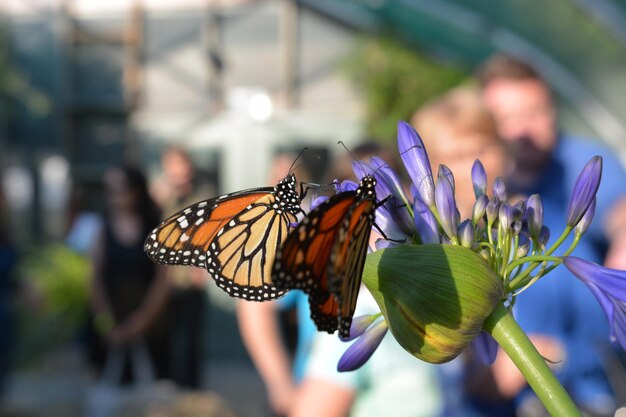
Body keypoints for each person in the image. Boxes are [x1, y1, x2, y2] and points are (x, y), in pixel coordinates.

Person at [477, 54, 626, 416]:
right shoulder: (485, 178)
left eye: (537, 112)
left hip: (590, 384)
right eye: (510, 118)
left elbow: (620, 213)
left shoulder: (579, 160)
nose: (525, 128)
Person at [89, 165, 171, 383]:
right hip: (112, 329)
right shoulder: (102, 230)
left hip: (151, 329)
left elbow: (161, 282)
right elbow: (95, 281)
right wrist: (107, 324)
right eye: (110, 190)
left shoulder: (153, 229)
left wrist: (140, 323)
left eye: (121, 189)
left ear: (136, 190)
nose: (115, 196)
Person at [150, 147, 212, 389]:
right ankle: (165, 383)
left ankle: (191, 388)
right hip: (163, 282)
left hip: (189, 280)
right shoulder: (159, 195)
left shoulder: (202, 194)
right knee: (162, 336)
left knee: (191, 338)